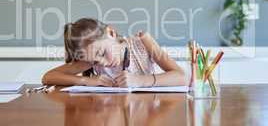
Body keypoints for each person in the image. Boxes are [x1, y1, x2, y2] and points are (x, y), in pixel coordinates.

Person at [42, 18, 186, 87]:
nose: (103, 62)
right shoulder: (91, 58)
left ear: (111, 33)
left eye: (103, 53)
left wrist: (139, 81)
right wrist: (86, 80)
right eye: (95, 62)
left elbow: (182, 77)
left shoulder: (143, 42)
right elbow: (48, 77)